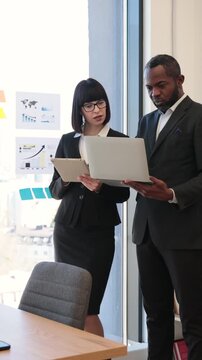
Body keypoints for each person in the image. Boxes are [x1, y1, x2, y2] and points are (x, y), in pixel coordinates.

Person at [124, 54, 202, 360]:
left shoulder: (198, 117)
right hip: (147, 232)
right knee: (155, 317)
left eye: (161, 85)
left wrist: (171, 193)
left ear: (179, 81)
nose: (155, 93)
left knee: (195, 321)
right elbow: (140, 167)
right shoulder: (147, 121)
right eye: (149, 88)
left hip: (184, 234)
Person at [49, 78, 130, 337]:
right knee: (68, 307)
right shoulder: (68, 140)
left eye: (101, 103)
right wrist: (66, 176)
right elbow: (53, 190)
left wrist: (100, 188)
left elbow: (124, 194)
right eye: (89, 105)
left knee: (89, 308)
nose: (97, 110)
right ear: (79, 110)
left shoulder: (120, 141)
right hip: (67, 231)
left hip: (98, 235)